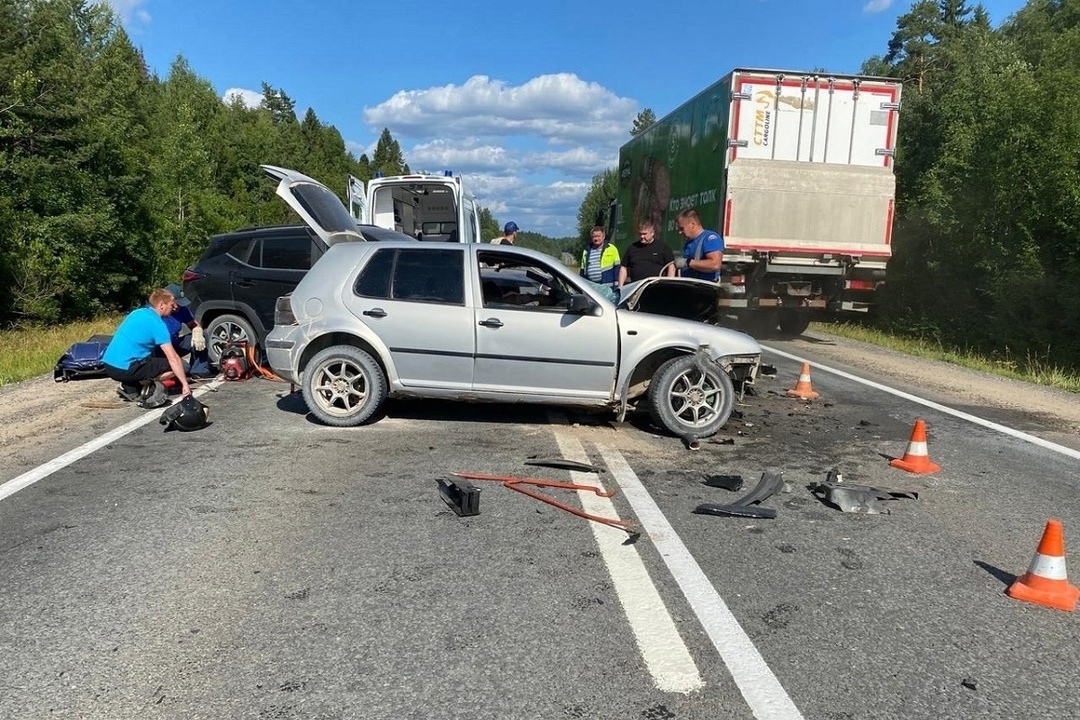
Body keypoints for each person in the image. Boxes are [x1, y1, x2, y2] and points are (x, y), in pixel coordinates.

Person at [103, 287, 192, 406]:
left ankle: (131, 388)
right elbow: (173, 358)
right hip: (125, 368)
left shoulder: (137, 313)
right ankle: (146, 384)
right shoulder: (158, 325)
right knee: (183, 366)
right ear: (161, 305)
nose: (174, 308)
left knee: (149, 358)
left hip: (109, 364)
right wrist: (185, 385)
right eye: (171, 305)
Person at [163, 284, 211, 378]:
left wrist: (197, 331)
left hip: (175, 344)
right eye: (175, 303)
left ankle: (198, 370)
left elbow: (193, 323)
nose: (177, 307)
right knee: (184, 368)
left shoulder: (182, 310)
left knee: (203, 335)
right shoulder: (157, 312)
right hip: (159, 348)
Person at [617, 219, 675, 287]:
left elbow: (671, 266)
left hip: (657, 287)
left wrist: (669, 285)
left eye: (645, 234)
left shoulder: (662, 247)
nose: (642, 237)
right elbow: (623, 268)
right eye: (640, 234)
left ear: (652, 233)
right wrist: (620, 287)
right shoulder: (632, 248)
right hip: (636, 287)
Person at [673, 208, 723, 282]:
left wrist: (688, 262)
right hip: (690, 287)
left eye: (682, 228)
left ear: (692, 225)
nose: (680, 232)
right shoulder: (689, 243)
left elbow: (715, 265)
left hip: (704, 288)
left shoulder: (710, 238)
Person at [579, 226, 621, 292]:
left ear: (603, 237)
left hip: (607, 287)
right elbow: (582, 270)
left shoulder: (611, 249)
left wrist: (616, 286)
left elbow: (617, 268)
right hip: (591, 287)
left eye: (598, 236)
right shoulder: (586, 251)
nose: (596, 239)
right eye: (594, 237)